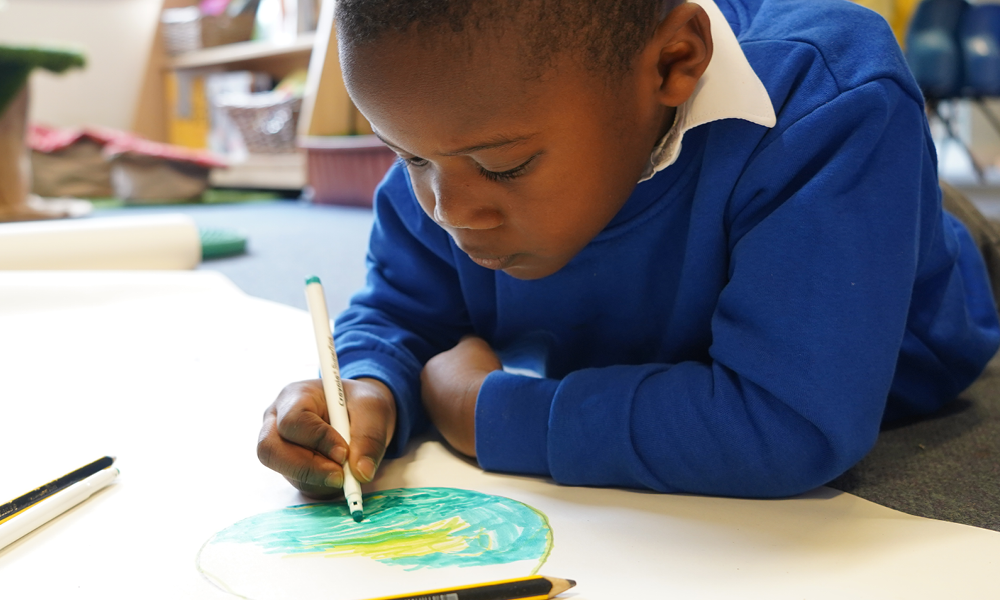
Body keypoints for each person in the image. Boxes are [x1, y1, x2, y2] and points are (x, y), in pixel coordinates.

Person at [256, 0, 1000, 499]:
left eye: (504, 166)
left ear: (674, 65)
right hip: (673, 318)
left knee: (954, 230)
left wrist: (492, 413)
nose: (448, 211)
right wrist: (365, 386)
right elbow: (398, 309)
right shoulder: (457, 129)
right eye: (406, 156)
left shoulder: (833, 102)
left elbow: (791, 424)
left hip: (908, 279)